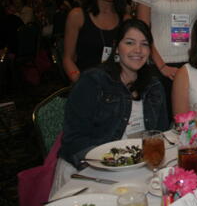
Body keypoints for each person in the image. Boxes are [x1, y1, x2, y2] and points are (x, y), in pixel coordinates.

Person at [53, 19, 169, 192]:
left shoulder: (153, 86)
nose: (138, 50)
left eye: (144, 44)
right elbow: (73, 141)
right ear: (116, 47)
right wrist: (110, 163)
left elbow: (159, 134)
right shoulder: (93, 82)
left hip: (137, 168)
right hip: (89, 171)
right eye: (129, 43)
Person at [63, 0, 128, 83]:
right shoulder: (77, 16)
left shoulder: (125, 19)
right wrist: (80, 82)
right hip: (85, 84)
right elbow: (68, 59)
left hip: (116, 86)